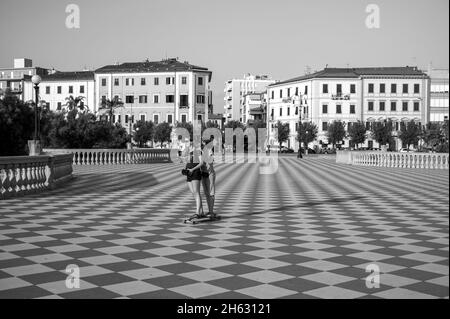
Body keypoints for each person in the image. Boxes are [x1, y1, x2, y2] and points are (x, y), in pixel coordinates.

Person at [185, 143, 205, 219]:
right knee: (194, 193)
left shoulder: (198, 152)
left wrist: (192, 169)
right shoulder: (189, 153)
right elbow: (188, 162)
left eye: (190, 145)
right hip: (189, 173)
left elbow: (201, 163)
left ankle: (197, 212)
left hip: (195, 172)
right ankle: (201, 211)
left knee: (196, 192)